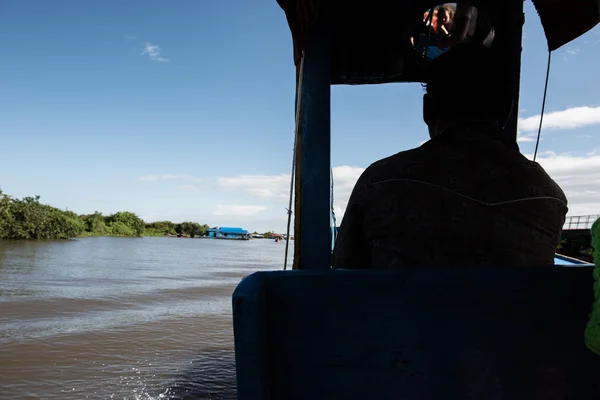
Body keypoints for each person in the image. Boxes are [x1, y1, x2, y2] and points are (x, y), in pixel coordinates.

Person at [332, 44, 568, 268]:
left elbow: (343, 271)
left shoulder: (379, 182)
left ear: (428, 110)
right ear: (507, 112)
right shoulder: (551, 196)